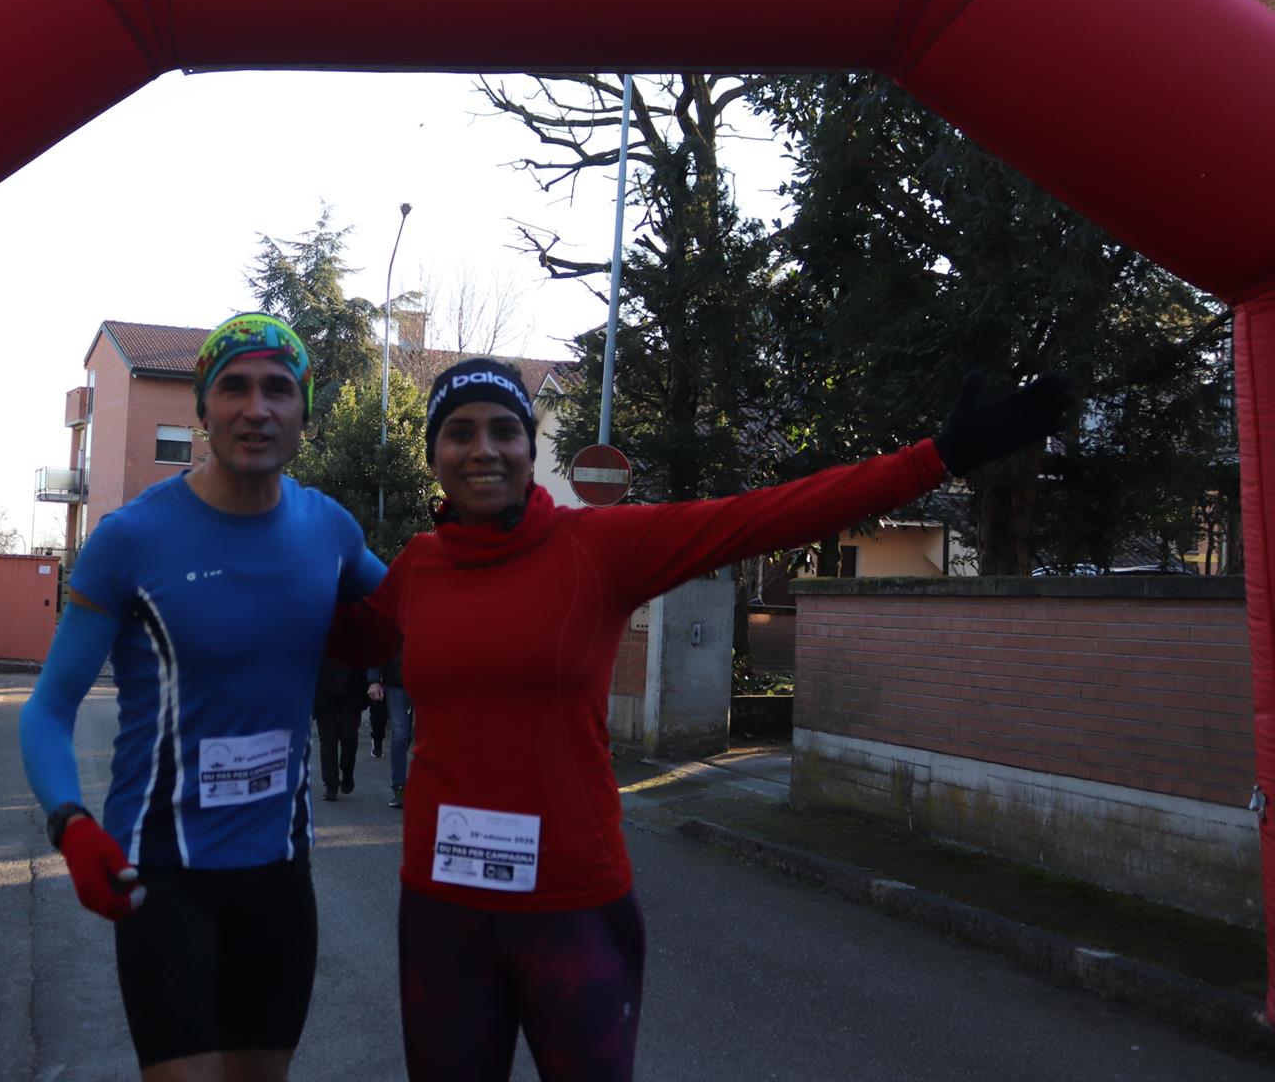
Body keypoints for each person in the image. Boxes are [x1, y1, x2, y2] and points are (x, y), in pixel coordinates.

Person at [338, 358, 1068, 1081]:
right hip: (443, 907)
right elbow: (330, 634)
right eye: (459, 432)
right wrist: (295, 524)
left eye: (504, 430)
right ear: (434, 453)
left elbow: (763, 516)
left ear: (531, 449)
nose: (483, 449)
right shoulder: (418, 567)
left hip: (572, 907)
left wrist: (935, 459)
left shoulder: (595, 547)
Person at [18, 314, 386, 1082]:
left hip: (280, 871)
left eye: (279, 389)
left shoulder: (330, 531)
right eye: (235, 388)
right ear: (203, 409)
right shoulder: (130, 539)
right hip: (163, 871)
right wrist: (70, 823)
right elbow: (50, 707)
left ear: (304, 410)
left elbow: (430, 620)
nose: (257, 409)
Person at [312, 657, 379, 800]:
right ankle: (331, 785)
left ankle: (347, 773)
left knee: (349, 737)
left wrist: (373, 682)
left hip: (352, 692)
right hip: (325, 692)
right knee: (328, 738)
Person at [380, 650, 411, 808]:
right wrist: (373, 680)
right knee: (400, 734)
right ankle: (399, 787)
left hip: (426, 681)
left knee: (426, 736)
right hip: (396, 682)